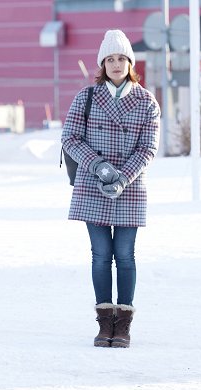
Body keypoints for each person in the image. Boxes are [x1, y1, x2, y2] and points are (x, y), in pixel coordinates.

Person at [61, 29, 160, 348]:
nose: (116, 64)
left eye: (122, 58)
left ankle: (124, 324)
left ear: (130, 62)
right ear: (102, 63)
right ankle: (105, 323)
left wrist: (122, 177)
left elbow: (148, 147)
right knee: (101, 255)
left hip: (129, 188)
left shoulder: (146, 101)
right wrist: (100, 167)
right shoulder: (87, 97)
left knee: (125, 255)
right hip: (93, 185)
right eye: (110, 58)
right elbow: (70, 138)